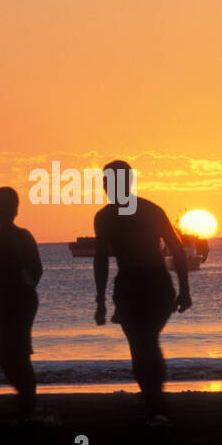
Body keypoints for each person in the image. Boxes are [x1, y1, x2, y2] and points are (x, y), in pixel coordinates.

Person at [92, 160, 191, 425]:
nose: (105, 187)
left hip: (155, 283)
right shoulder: (104, 218)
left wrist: (185, 290)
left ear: (126, 183)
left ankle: (156, 404)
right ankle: (154, 402)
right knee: (142, 344)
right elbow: (100, 259)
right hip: (128, 285)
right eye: (103, 182)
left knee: (144, 342)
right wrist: (100, 300)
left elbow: (177, 250)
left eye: (108, 182)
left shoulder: (151, 211)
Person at [0, 187, 45, 420]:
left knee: (11, 351)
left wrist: (22, 290)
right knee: (13, 351)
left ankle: (28, 402)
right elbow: (36, 270)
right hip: (19, 299)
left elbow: (34, 270)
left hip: (18, 299)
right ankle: (27, 399)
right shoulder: (2, 238)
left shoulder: (3, 239)